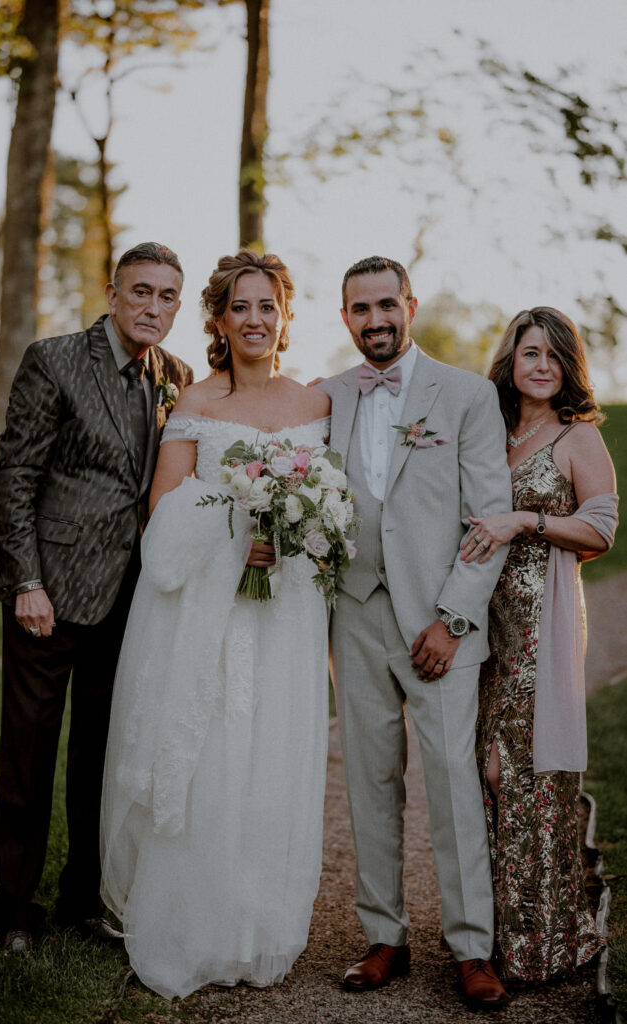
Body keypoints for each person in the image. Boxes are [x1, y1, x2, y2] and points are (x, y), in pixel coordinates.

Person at [100, 250, 332, 1000]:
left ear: (285, 317)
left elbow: (333, 513)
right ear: (218, 320)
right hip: (210, 613)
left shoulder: (316, 405)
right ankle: (192, 926)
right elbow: (163, 511)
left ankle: (258, 925)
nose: (255, 321)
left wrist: (299, 532)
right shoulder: (194, 403)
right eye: (241, 308)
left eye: (267, 307)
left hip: (287, 612)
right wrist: (239, 525)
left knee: (272, 757)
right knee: (210, 758)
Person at [317, 256, 512, 1011]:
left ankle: (470, 948)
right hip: (356, 614)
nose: (375, 321)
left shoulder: (464, 394)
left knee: (453, 787)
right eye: (360, 309)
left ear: (411, 305)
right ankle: (382, 936)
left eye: (386, 305)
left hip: (440, 624)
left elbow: (488, 517)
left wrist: (455, 619)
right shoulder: (328, 396)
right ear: (343, 318)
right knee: (367, 780)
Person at [0, 242, 193, 954]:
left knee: (100, 758)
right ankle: (13, 907)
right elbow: (14, 474)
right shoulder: (56, 359)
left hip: (130, 600)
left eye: (167, 296)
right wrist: (27, 582)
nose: (153, 307)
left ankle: (80, 899)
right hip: (49, 594)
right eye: (141, 292)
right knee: (29, 755)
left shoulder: (175, 375)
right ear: (112, 293)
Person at [461, 307, 618, 983]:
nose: (542, 365)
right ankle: (497, 930)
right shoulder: (488, 433)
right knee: (485, 773)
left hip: (537, 629)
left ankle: (549, 937)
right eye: (530, 352)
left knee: (527, 775)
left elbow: (601, 529)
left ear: (567, 367)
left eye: (555, 355)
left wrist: (525, 519)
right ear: (511, 360)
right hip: (481, 628)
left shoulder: (575, 437)